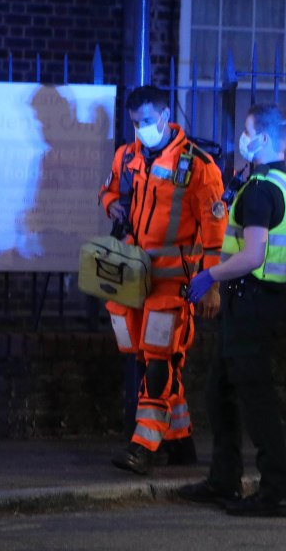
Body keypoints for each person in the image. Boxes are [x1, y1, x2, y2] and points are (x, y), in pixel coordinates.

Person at [178, 103, 286, 518]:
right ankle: (223, 478)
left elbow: (252, 255)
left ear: (262, 138)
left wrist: (209, 275)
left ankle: (277, 493)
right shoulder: (282, 182)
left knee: (255, 399)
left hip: (251, 299)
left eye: (247, 132)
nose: (241, 139)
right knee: (219, 391)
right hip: (253, 302)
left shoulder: (262, 191)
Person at [98, 85, 227, 475]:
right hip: (133, 274)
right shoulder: (128, 155)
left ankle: (144, 444)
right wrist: (111, 204)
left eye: (148, 122)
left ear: (166, 114)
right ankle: (180, 438)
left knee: (159, 361)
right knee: (146, 356)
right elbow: (108, 191)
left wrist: (212, 283)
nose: (142, 129)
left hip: (174, 280)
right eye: (136, 123)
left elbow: (214, 228)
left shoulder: (198, 165)